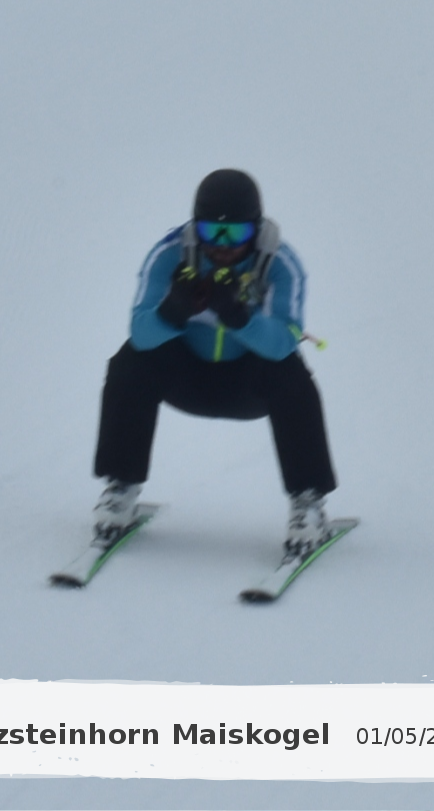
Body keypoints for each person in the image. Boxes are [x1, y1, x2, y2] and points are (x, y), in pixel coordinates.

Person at [89, 169, 336, 557]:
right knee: (130, 362)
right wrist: (172, 312)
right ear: (195, 226)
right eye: (210, 232)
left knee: (291, 374)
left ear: (256, 229)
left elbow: (283, 344)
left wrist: (240, 318)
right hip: (187, 379)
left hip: (248, 384)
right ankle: (121, 486)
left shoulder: (279, 264)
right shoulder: (169, 255)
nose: (222, 246)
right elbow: (140, 334)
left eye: (235, 233)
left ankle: (309, 502)